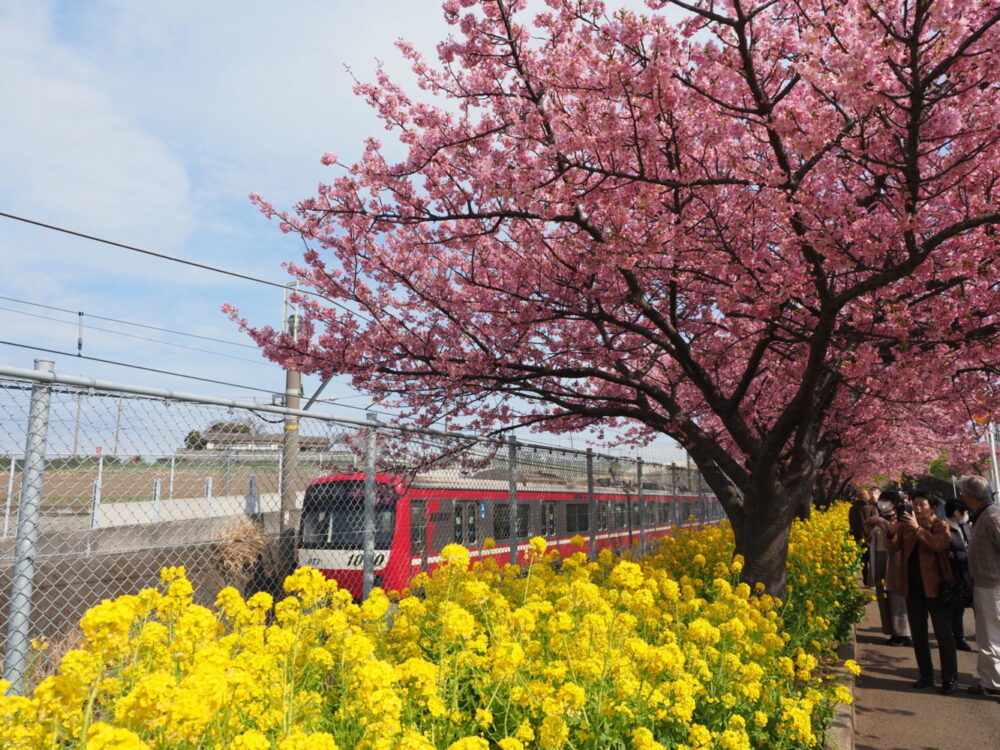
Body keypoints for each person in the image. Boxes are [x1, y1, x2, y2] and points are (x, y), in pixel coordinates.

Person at [887, 490, 958, 693]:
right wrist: (891, 531)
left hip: (936, 589)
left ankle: (949, 678)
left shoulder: (940, 525)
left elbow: (939, 544)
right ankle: (926, 675)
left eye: (922, 505)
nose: (917, 508)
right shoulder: (906, 527)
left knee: (944, 635)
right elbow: (893, 548)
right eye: (914, 504)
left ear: (933, 507)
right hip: (913, 588)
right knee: (918, 635)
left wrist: (918, 529)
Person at [959, 475, 1000, 697]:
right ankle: (990, 680)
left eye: (963, 492)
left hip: (992, 586)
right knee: (989, 635)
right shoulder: (985, 514)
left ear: (970, 495)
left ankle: (993, 683)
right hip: (987, 584)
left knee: (990, 635)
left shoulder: (992, 515)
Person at [866, 490, 911, 646]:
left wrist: (882, 522)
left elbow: (898, 536)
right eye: (882, 500)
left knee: (896, 595)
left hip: (894, 559)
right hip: (878, 558)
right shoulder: (876, 519)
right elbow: (868, 538)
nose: (882, 503)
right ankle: (891, 631)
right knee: (882, 596)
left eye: (886, 501)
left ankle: (903, 633)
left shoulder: (902, 519)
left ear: (894, 504)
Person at [944, 497, 973, 651]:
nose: (966, 514)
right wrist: (967, 555)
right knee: (956, 610)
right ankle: (958, 638)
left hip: (970, 575)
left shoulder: (966, 527)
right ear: (956, 512)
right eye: (965, 512)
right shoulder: (944, 529)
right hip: (955, 575)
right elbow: (944, 554)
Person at [849, 489, 877, 584]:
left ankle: (865, 577)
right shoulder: (872, 508)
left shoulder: (852, 509)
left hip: (858, 536)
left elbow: (851, 523)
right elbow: (876, 522)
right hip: (870, 536)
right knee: (871, 558)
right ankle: (871, 580)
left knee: (862, 559)